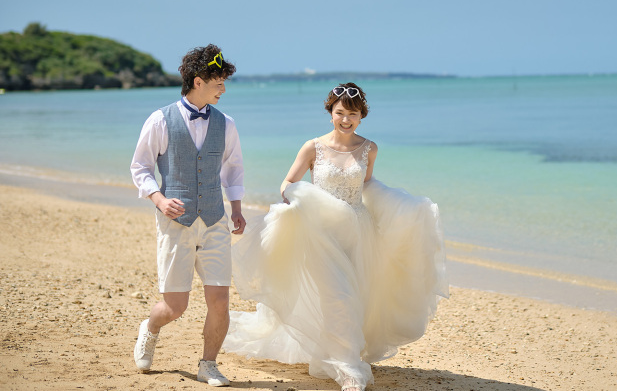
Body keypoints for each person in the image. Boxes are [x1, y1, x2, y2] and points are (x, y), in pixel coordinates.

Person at [223, 82, 449, 391]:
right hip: (320, 233)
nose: (346, 120)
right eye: (340, 113)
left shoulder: (369, 148)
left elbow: (367, 186)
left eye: (352, 114)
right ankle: (347, 369)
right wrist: (296, 196)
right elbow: (288, 181)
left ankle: (336, 352)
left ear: (361, 116)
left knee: (356, 296)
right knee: (337, 295)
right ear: (330, 112)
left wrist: (405, 206)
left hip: (358, 230)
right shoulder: (312, 147)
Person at [130, 44, 246, 387]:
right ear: (198, 81)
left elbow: (233, 169)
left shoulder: (226, 123)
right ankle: (150, 328)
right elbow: (140, 167)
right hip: (175, 223)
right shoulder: (159, 120)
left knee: (220, 301)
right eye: (218, 83)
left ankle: (208, 364)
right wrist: (159, 199)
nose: (223, 89)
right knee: (175, 306)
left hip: (214, 220)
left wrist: (236, 208)